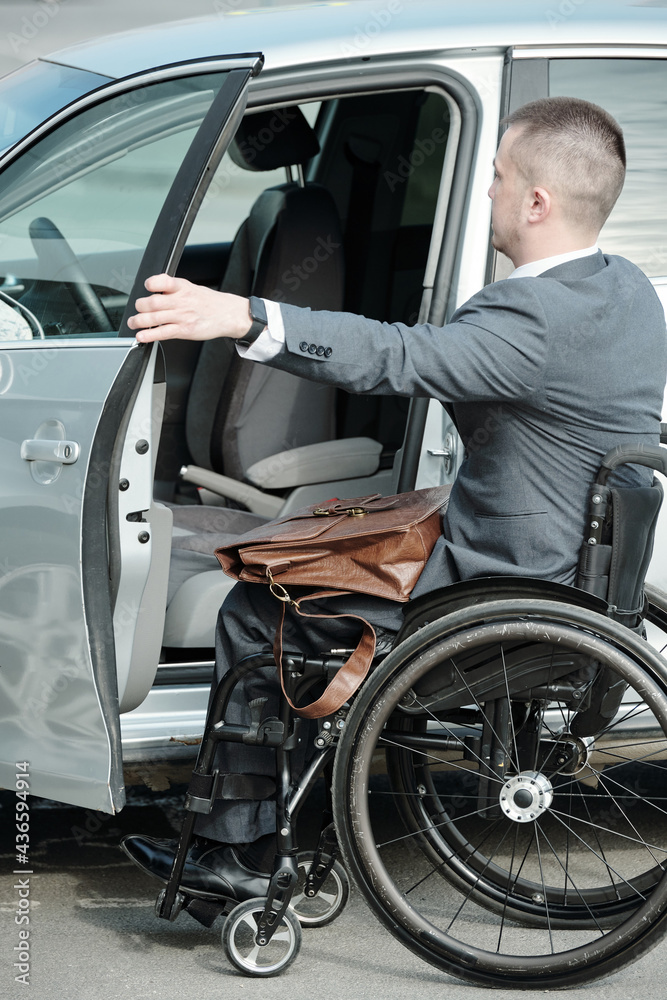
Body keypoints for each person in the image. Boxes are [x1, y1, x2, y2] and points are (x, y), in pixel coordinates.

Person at [120, 97, 667, 904]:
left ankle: (237, 849)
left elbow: (396, 356)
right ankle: (245, 796)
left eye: (496, 176)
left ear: (536, 203)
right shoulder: (624, 289)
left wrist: (243, 316)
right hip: (558, 569)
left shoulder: (530, 316)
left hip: (492, 589)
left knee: (257, 610)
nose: (486, 192)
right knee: (311, 572)